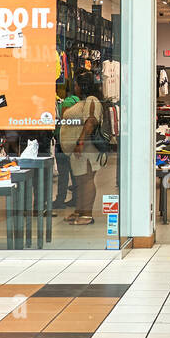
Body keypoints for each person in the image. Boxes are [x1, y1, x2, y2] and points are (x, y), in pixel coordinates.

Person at [58, 72, 103, 225]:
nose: (75, 87)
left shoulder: (92, 100)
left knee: (87, 180)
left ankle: (87, 215)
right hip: (79, 151)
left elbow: (90, 122)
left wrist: (80, 143)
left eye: (76, 84)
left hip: (87, 150)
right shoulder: (83, 101)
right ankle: (80, 211)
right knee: (80, 181)